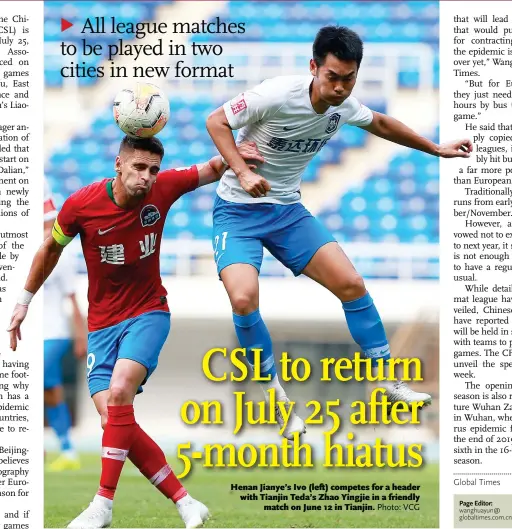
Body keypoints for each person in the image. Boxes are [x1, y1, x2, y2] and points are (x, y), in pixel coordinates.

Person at [206, 25, 472, 439]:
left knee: (351, 283)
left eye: (349, 79)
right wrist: (240, 171)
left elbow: (381, 122)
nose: (340, 87)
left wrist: (436, 148)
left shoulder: (343, 106)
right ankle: (278, 401)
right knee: (243, 299)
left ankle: (387, 381)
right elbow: (216, 120)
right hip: (238, 210)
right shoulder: (275, 94)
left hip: (287, 211)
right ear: (314, 67)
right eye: (332, 77)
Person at [8, 138, 263, 529]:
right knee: (115, 417)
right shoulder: (81, 205)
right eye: (139, 168)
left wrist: (238, 155)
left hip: (148, 313)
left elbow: (210, 170)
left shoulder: (163, 188)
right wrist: (24, 301)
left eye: (153, 170)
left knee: (121, 389)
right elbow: (50, 250)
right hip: (102, 327)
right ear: (119, 165)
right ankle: (185, 501)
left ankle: (102, 506)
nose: (147, 178)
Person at [43, 177, 87, 471]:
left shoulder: (63, 254)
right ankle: (68, 450)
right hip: (32, 331)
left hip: (54, 331)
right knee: (51, 390)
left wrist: (81, 333)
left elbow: (72, 297)